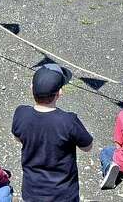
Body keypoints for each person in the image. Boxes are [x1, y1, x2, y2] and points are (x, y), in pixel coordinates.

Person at [11, 64, 93, 202]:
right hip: (63, 193)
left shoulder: (21, 113)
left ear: (32, 89)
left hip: (32, 191)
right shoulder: (68, 121)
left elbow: (17, 137)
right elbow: (87, 146)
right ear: (59, 93)